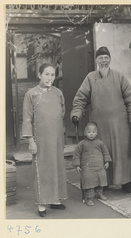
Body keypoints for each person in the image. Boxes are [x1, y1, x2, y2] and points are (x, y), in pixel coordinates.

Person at [71, 46, 131, 193]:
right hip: (99, 125)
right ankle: (104, 182)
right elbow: (80, 98)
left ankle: (127, 183)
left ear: (110, 59)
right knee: (101, 152)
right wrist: (77, 113)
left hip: (120, 124)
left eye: (106, 58)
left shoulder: (119, 77)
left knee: (122, 152)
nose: (103, 61)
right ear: (96, 61)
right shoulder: (90, 78)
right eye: (100, 58)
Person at [22, 63, 68, 217]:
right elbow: (27, 119)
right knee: (43, 169)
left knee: (56, 166)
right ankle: (42, 204)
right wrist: (31, 141)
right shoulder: (31, 94)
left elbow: (61, 113)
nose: (50, 78)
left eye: (53, 75)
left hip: (56, 138)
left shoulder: (58, 93)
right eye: (46, 74)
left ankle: (54, 200)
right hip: (40, 140)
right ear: (39, 75)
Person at [73, 122, 112, 206]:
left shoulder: (100, 143)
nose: (91, 134)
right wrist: (77, 165)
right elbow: (76, 155)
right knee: (89, 182)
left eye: (94, 132)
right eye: (89, 132)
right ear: (85, 133)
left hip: (99, 166)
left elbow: (105, 152)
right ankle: (89, 198)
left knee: (100, 180)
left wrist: (107, 161)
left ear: (97, 133)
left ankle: (99, 193)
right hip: (87, 168)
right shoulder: (82, 144)